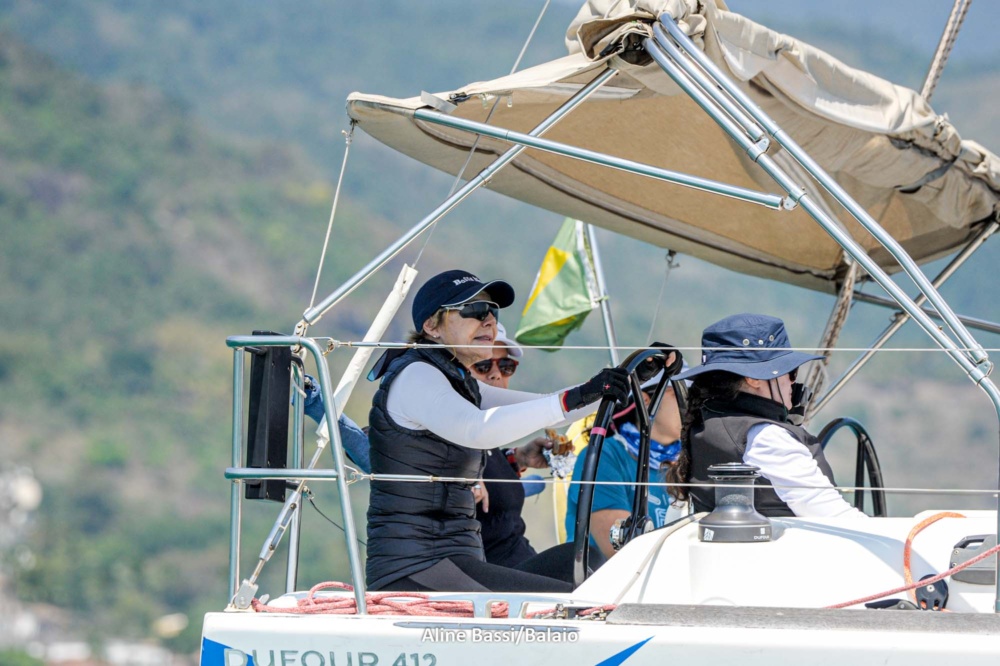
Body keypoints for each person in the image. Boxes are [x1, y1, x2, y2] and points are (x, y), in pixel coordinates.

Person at [365, 269, 630, 592]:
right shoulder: (415, 374)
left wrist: (631, 381)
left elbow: (550, 406)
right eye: (475, 310)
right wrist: (577, 396)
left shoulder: (460, 382)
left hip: (457, 559)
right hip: (416, 567)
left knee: (581, 562)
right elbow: (477, 429)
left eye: (492, 312)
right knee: (577, 601)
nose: (489, 320)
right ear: (432, 326)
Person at [668, 313, 866, 519]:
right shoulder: (765, 436)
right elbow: (835, 516)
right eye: (791, 372)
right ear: (754, 378)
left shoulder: (707, 422)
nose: (792, 382)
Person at [565, 359, 688, 559]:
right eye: (679, 393)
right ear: (646, 401)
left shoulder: (691, 457)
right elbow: (621, 550)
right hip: (614, 577)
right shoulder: (604, 456)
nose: (689, 403)